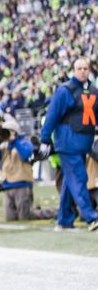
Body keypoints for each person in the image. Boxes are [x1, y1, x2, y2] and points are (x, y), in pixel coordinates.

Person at [39, 58, 98, 231]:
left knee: (69, 181)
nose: (82, 71)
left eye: (85, 68)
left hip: (83, 143)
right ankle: (91, 217)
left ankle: (64, 220)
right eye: (79, 68)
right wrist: (44, 139)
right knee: (79, 179)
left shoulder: (93, 91)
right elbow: (52, 115)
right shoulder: (65, 91)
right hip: (67, 142)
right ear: (73, 70)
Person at [0, 119, 35, 221]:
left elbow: (25, 154)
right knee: (10, 218)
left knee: (25, 217)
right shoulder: (3, 145)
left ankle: (51, 212)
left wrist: (15, 141)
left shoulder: (25, 142)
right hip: (7, 184)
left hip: (22, 184)